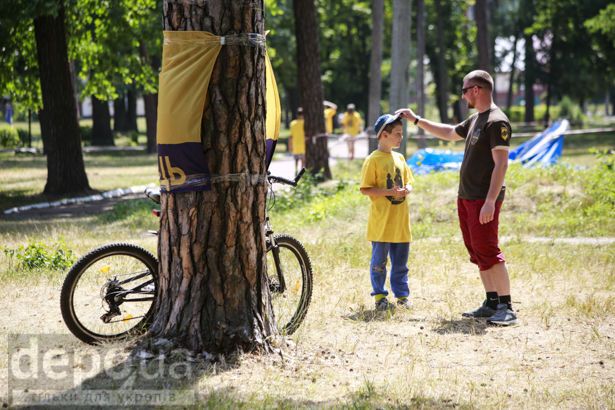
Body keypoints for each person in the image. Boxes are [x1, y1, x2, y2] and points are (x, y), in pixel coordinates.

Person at [396, 69, 517, 326]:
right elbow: (450, 132)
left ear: (476, 90)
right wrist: (417, 120)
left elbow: (501, 165)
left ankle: (507, 307)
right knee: (476, 250)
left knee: (489, 250)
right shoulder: (476, 119)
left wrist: (489, 201)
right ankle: (491, 301)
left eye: (464, 90)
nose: (463, 97)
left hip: (482, 198)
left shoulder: (497, 122)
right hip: (467, 197)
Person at [360, 113, 414, 311]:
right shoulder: (373, 160)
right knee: (379, 263)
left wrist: (406, 189)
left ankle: (402, 296)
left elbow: (409, 182)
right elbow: (365, 189)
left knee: (401, 264)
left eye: (401, 133)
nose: (401, 137)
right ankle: (380, 296)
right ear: (384, 135)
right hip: (382, 223)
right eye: (397, 134)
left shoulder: (400, 158)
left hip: (400, 223)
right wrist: (389, 192)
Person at [288, 107, 305, 174]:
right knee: (303, 160)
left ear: (297, 115)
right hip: (303, 145)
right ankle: (301, 173)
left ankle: (296, 170)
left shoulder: (293, 123)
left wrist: (290, 146)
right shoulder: (305, 123)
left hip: (295, 145)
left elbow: (291, 136)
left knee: (296, 160)